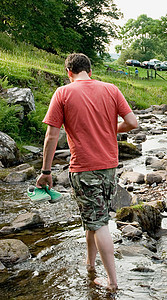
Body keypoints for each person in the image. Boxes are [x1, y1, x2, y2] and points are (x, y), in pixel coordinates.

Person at [36, 53, 138, 292]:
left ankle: (112, 283)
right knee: (91, 217)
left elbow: (51, 136)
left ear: (68, 73)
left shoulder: (63, 93)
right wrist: (111, 129)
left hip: (84, 168)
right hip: (110, 167)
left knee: (99, 222)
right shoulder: (111, 89)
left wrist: (46, 171)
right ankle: (90, 263)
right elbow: (133, 123)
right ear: (90, 71)